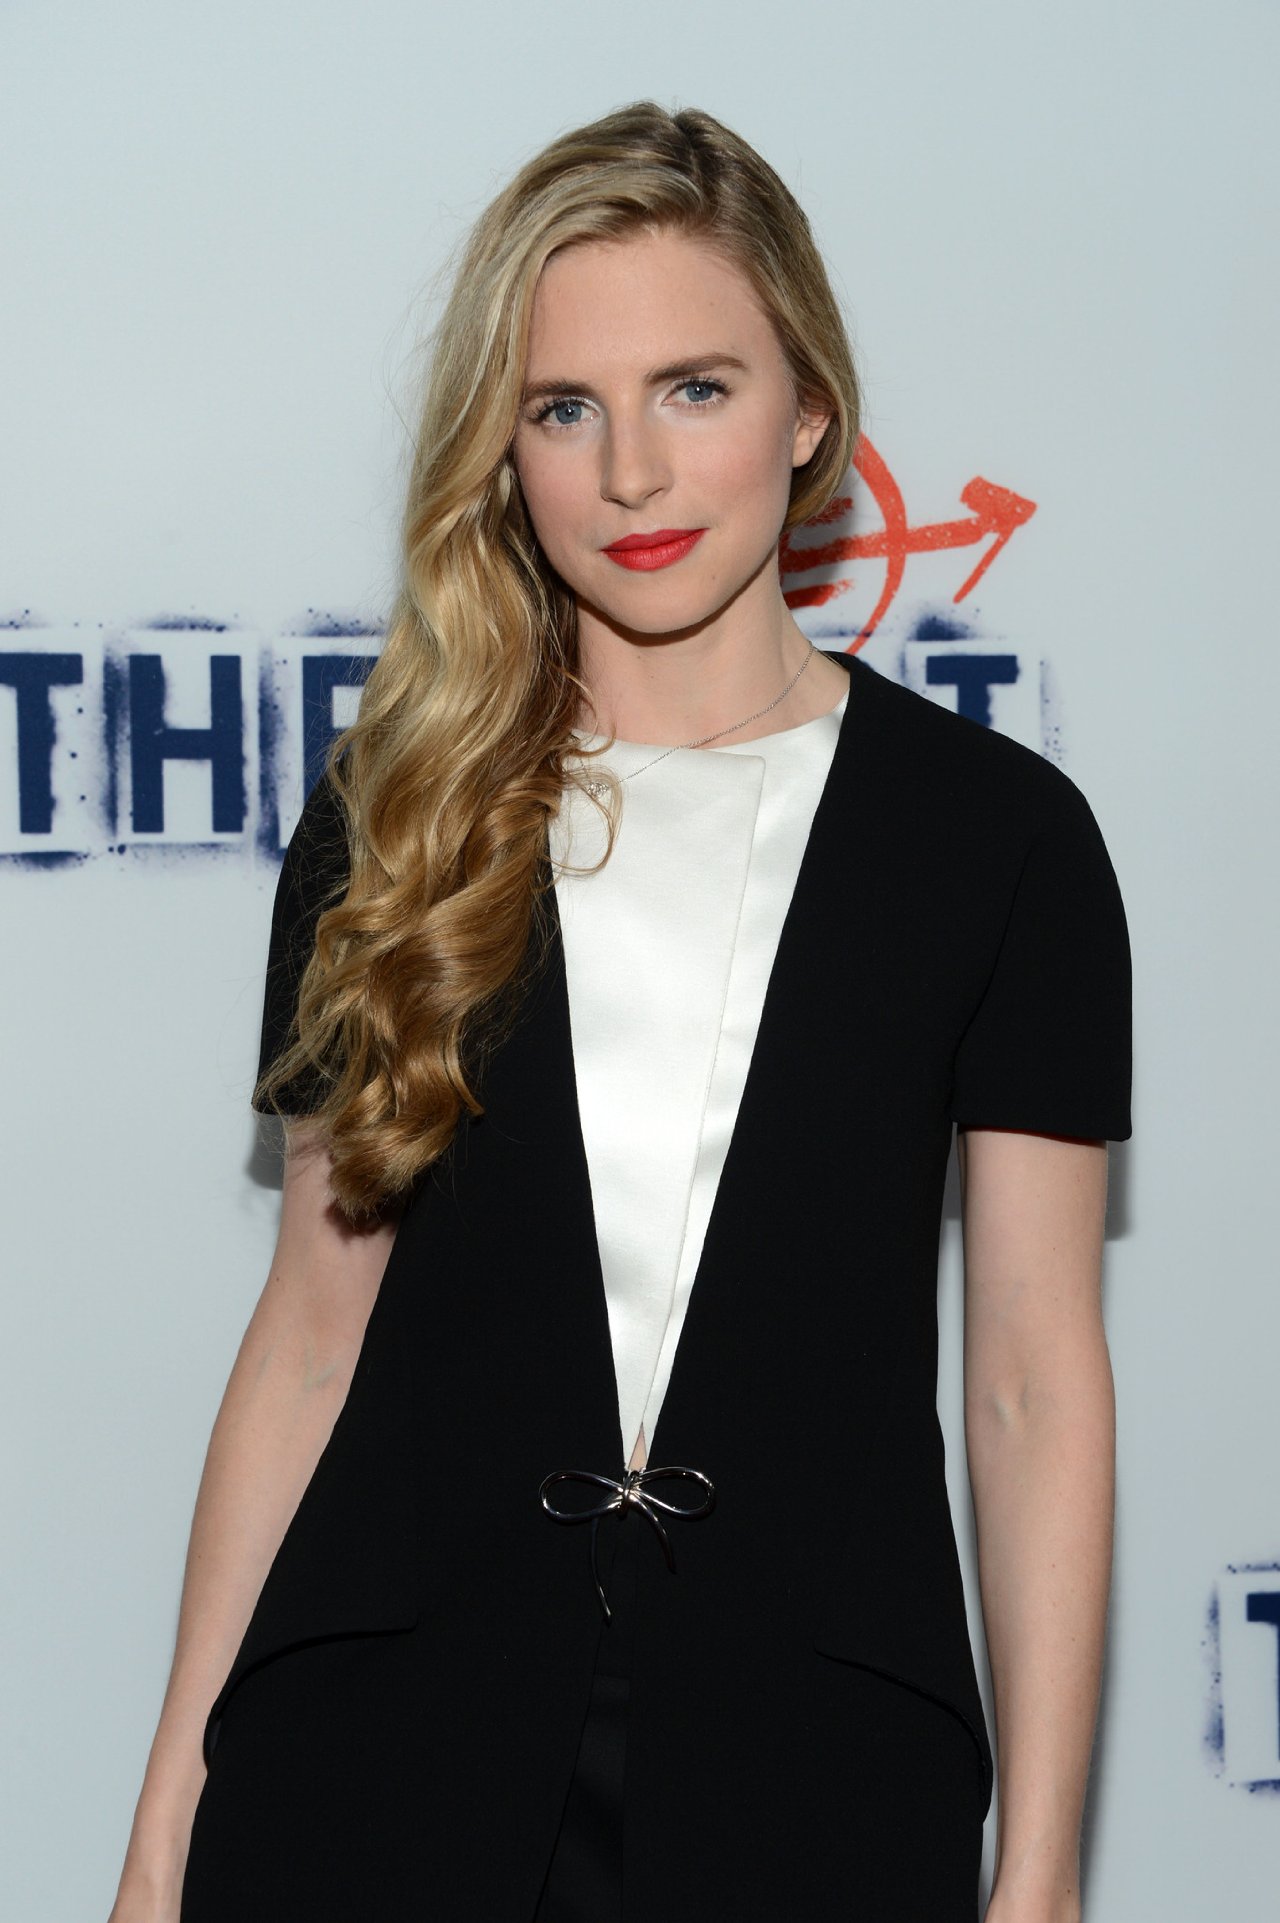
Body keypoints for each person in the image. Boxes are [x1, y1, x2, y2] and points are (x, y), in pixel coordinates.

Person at [109, 100, 1132, 1923]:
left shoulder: (998, 841)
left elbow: (1033, 1383)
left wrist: (1042, 1867)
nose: (634, 476)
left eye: (695, 389)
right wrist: (164, 1831)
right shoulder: (394, 822)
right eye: (564, 409)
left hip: (819, 1780)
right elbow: (310, 1344)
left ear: (809, 408)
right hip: (377, 1769)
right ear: (503, 451)